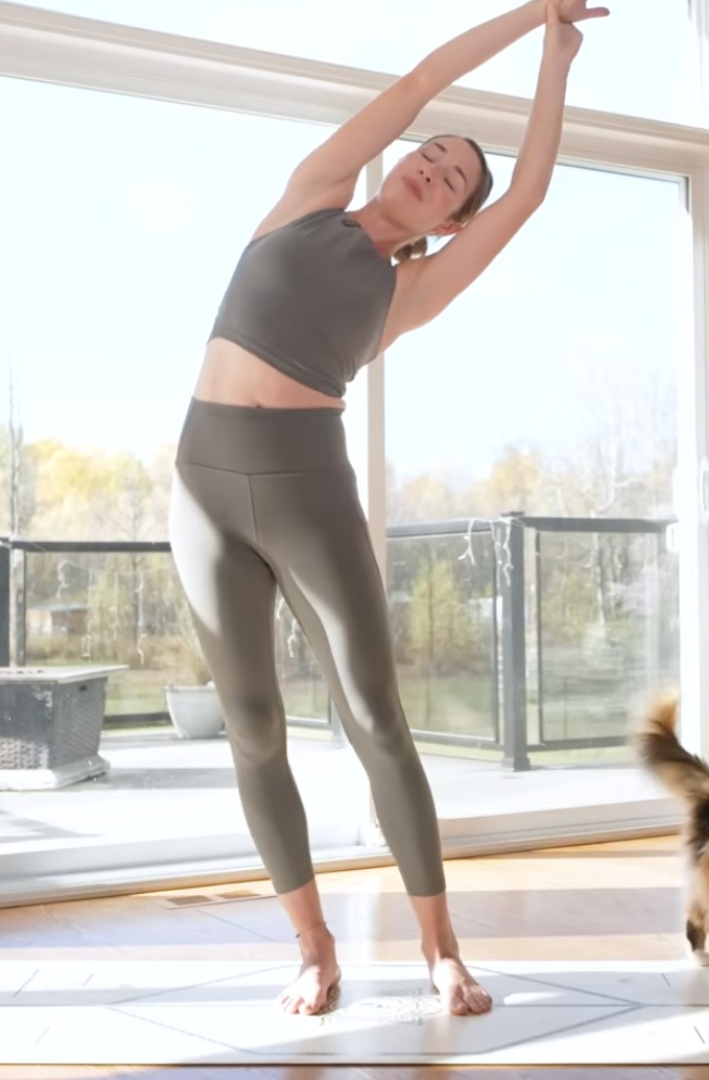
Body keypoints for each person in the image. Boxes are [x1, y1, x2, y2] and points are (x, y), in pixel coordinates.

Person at [167, 0, 607, 1018]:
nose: (433, 165)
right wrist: (531, 9)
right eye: (433, 152)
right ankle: (313, 947)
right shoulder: (312, 194)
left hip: (306, 488)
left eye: (454, 178)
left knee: (376, 719)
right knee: (251, 726)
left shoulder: (412, 290)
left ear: (451, 218)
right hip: (201, 483)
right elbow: (416, 82)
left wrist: (559, 56)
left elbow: (529, 191)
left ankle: (440, 951)